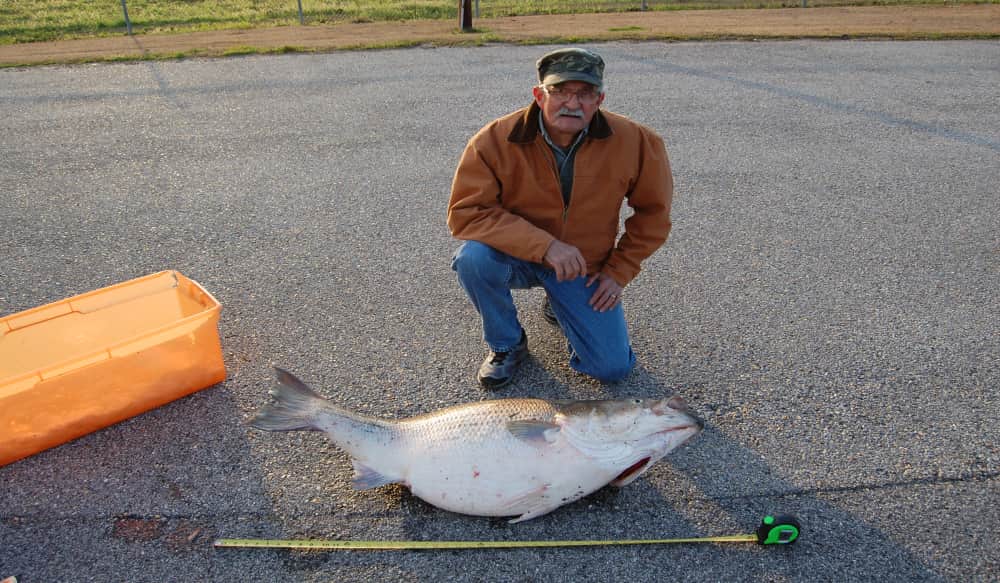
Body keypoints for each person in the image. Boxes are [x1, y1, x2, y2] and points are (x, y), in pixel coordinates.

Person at [448, 47, 674, 389]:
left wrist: (618, 272)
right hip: (517, 257)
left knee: (611, 368)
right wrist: (545, 246)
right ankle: (506, 344)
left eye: (584, 94)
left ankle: (562, 306)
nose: (572, 103)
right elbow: (466, 212)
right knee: (472, 259)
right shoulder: (493, 140)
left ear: (600, 99)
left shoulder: (638, 142)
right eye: (560, 92)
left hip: (583, 265)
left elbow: (654, 215)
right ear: (540, 95)